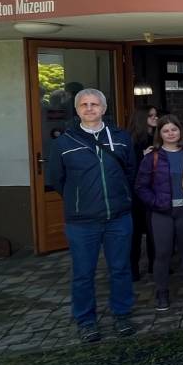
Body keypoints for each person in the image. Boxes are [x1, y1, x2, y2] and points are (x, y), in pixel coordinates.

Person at [47, 88, 137, 343]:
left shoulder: (120, 138)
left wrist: (121, 197)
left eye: (94, 104)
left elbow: (131, 171)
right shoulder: (64, 142)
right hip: (81, 222)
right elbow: (57, 180)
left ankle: (122, 315)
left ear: (103, 109)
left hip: (118, 217)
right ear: (77, 110)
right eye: (84, 104)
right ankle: (86, 321)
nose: (89, 108)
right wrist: (79, 200)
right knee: (83, 273)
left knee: (120, 268)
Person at [134, 115, 183, 311]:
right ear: (160, 134)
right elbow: (141, 187)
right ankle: (161, 292)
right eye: (165, 130)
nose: (170, 133)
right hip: (162, 212)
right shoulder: (152, 157)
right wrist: (156, 203)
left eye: (174, 129)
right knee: (162, 253)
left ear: (180, 130)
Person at [126, 104, 158, 281]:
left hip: (155, 191)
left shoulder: (158, 138)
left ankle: (155, 264)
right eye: (151, 115)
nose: (155, 118)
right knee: (135, 233)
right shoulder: (132, 142)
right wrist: (143, 158)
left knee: (154, 230)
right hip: (136, 195)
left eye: (155, 115)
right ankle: (133, 268)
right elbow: (129, 170)